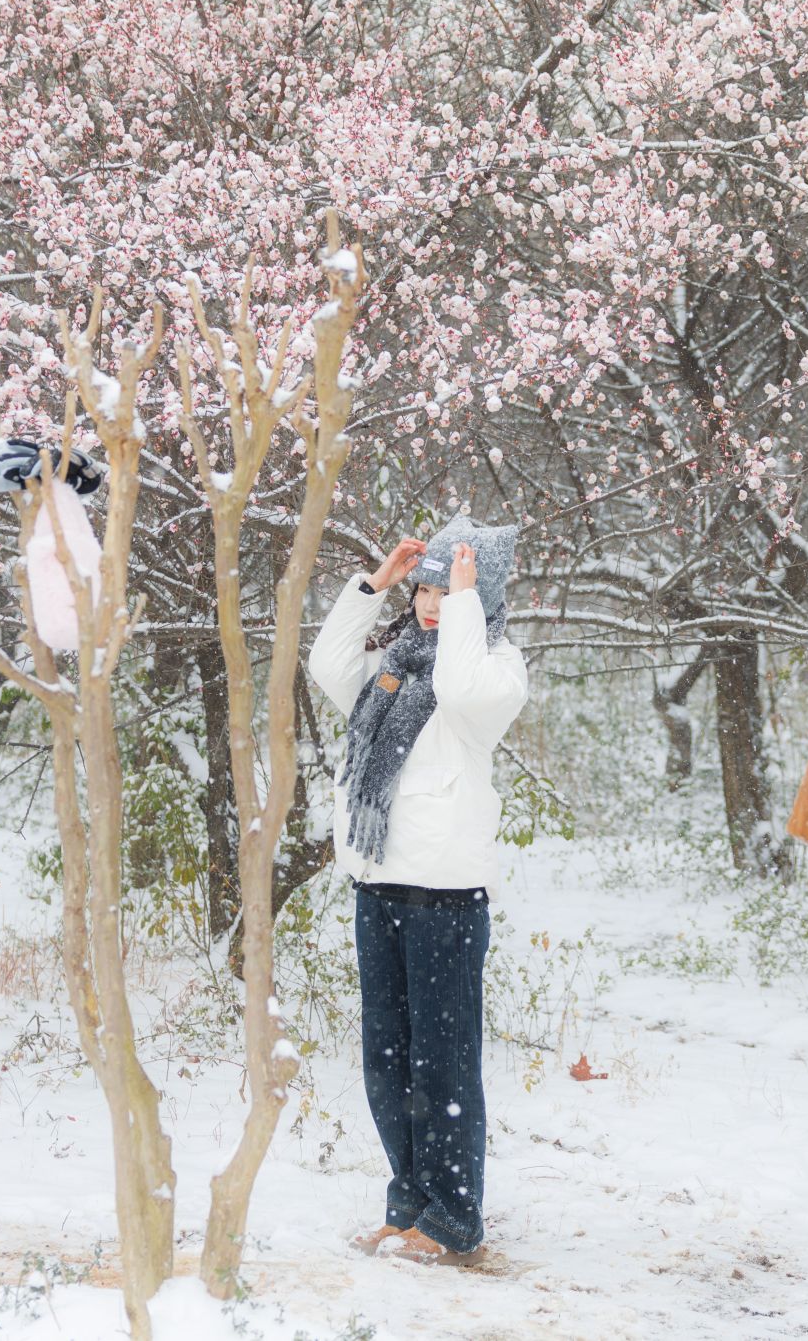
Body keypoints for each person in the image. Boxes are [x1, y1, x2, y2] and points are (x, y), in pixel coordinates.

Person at [306, 515, 527, 1265]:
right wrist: (375, 585)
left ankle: (453, 1219)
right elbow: (327, 664)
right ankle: (407, 1207)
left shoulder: (496, 671)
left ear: (479, 596)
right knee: (388, 1062)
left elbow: (461, 686)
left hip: (446, 900)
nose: (431, 604)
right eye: (425, 590)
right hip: (380, 888)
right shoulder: (393, 665)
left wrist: (464, 599)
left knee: (444, 1065)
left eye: (446, 590)